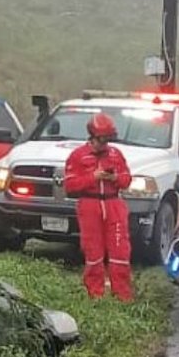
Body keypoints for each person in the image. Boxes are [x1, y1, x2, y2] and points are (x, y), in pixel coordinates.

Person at [64, 113, 133, 301]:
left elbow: (127, 179)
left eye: (108, 140)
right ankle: (95, 294)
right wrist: (92, 177)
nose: (106, 144)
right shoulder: (77, 156)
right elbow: (70, 186)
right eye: (103, 139)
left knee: (120, 251)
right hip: (89, 205)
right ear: (93, 137)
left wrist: (114, 178)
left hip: (113, 203)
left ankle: (123, 296)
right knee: (93, 251)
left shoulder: (115, 154)